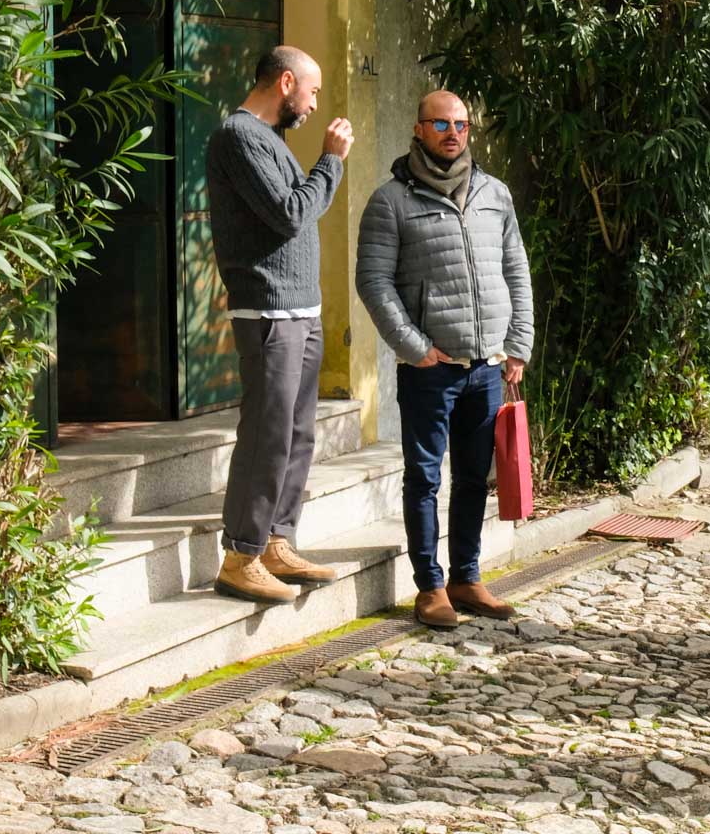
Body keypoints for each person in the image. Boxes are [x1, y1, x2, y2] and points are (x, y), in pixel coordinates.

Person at [356, 90, 535, 629]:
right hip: (430, 370)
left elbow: (516, 271)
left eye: (460, 123)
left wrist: (518, 344)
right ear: (418, 129)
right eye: (440, 123)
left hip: (487, 364)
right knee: (425, 479)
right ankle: (429, 587)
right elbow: (373, 282)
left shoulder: (494, 194)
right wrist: (413, 348)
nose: (452, 132)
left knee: (474, 476)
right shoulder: (391, 201)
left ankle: (466, 577)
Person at [205, 46, 353, 604]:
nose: (314, 105)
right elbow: (290, 213)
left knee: (297, 434)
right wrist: (330, 161)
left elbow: (297, 209)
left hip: (301, 308)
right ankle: (241, 554)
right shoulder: (239, 137)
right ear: (286, 82)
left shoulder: (270, 142)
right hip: (267, 308)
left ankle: (276, 541)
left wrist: (323, 167)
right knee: (267, 434)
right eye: (311, 92)